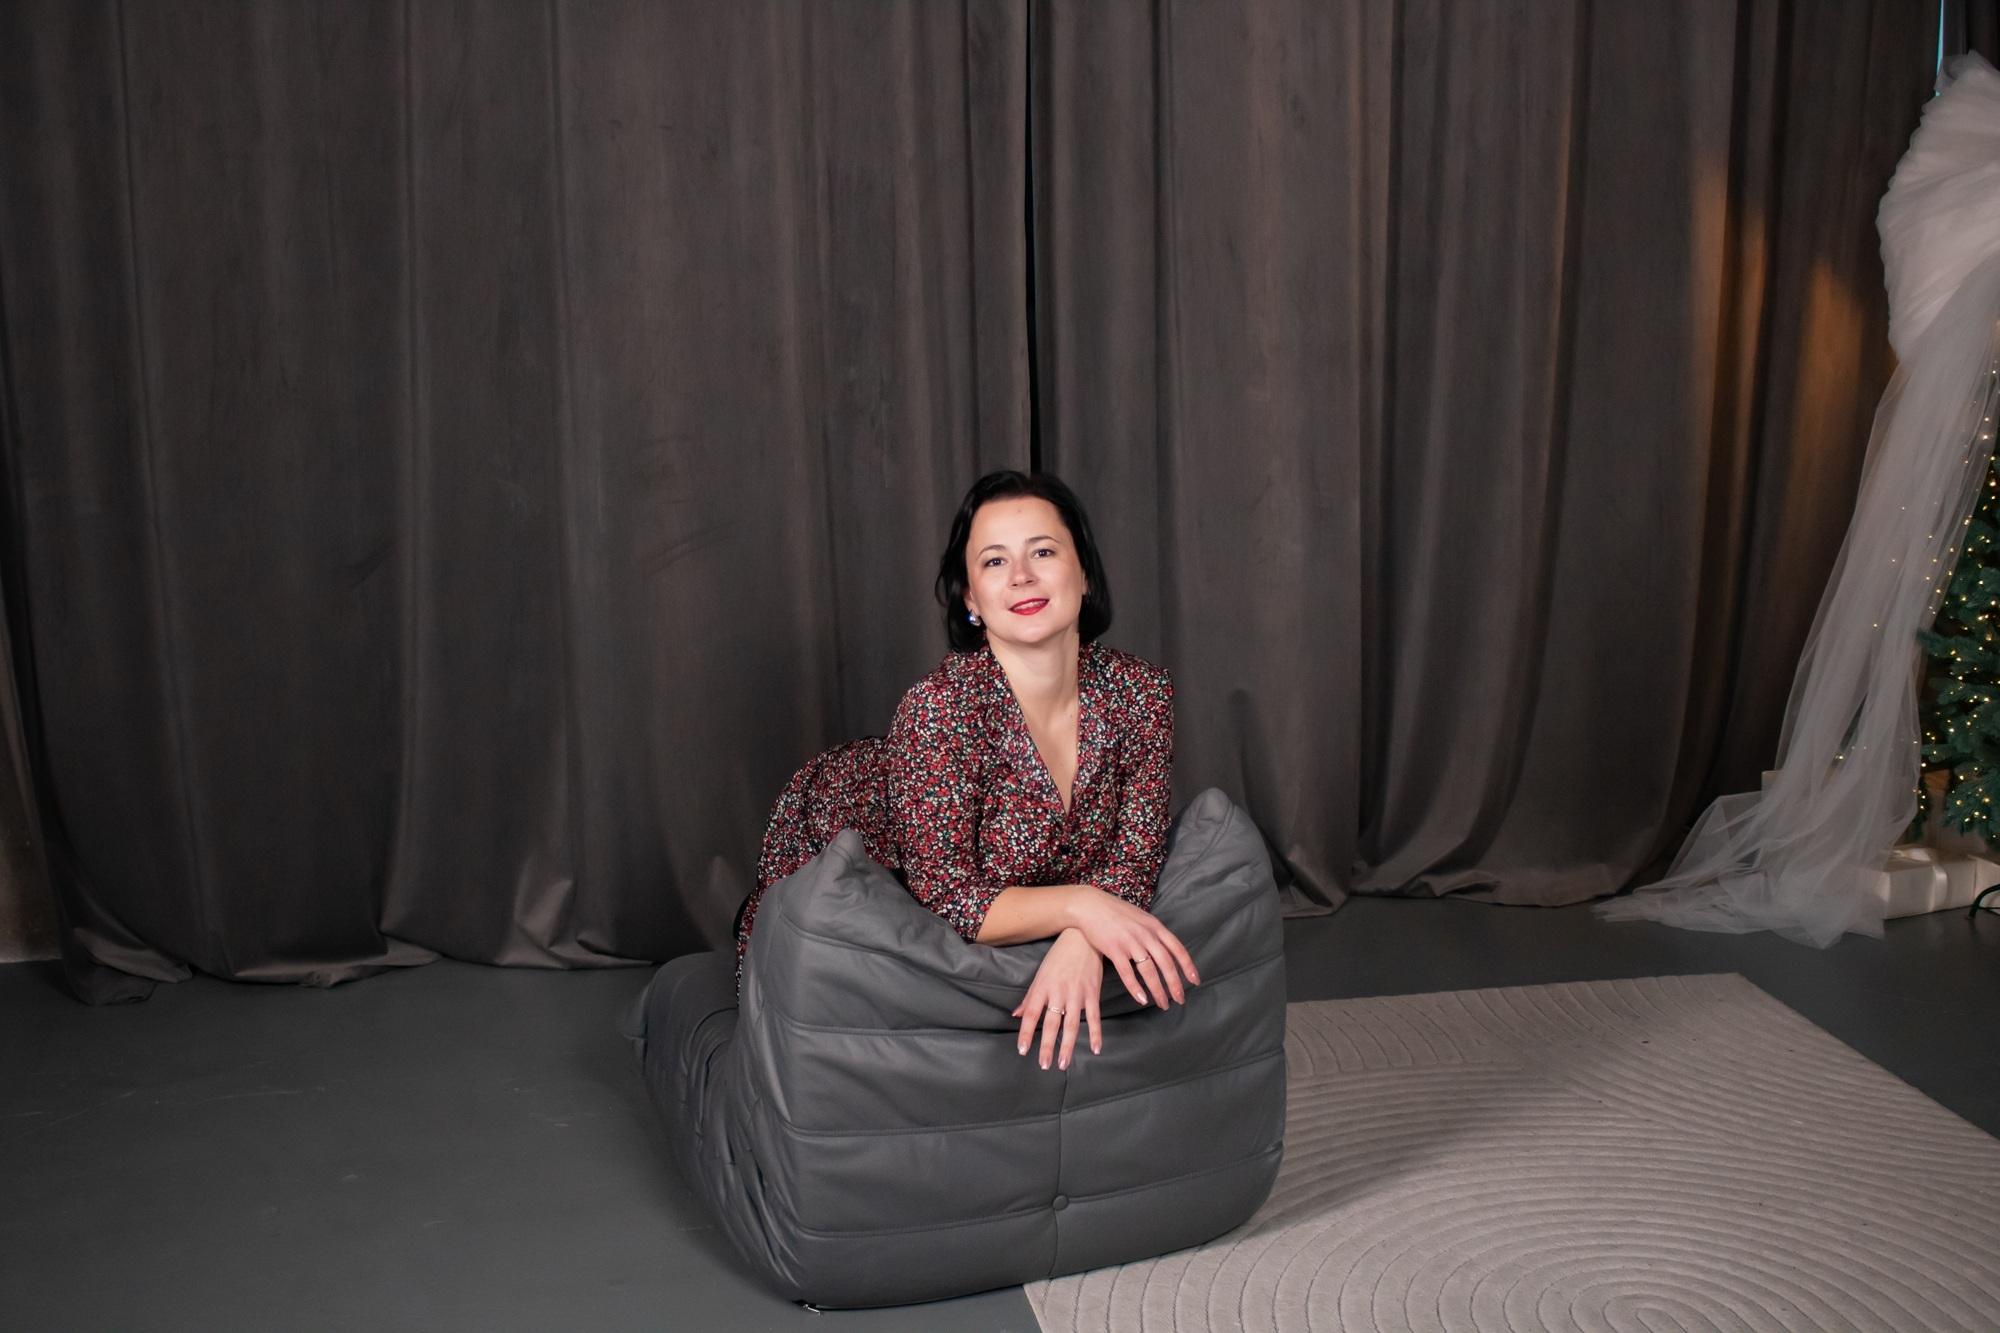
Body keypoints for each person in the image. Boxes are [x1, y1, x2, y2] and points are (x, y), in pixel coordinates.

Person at [733, 469, 1200, 1074]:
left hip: (1001, 888)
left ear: (1084, 573)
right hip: (844, 845)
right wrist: (1084, 907)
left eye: (1043, 552)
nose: (1022, 576)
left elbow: (1135, 857)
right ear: (971, 600)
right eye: (994, 561)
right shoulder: (939, 708)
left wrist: (1082, 940)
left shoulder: (1141, 690)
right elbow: (950, 896)